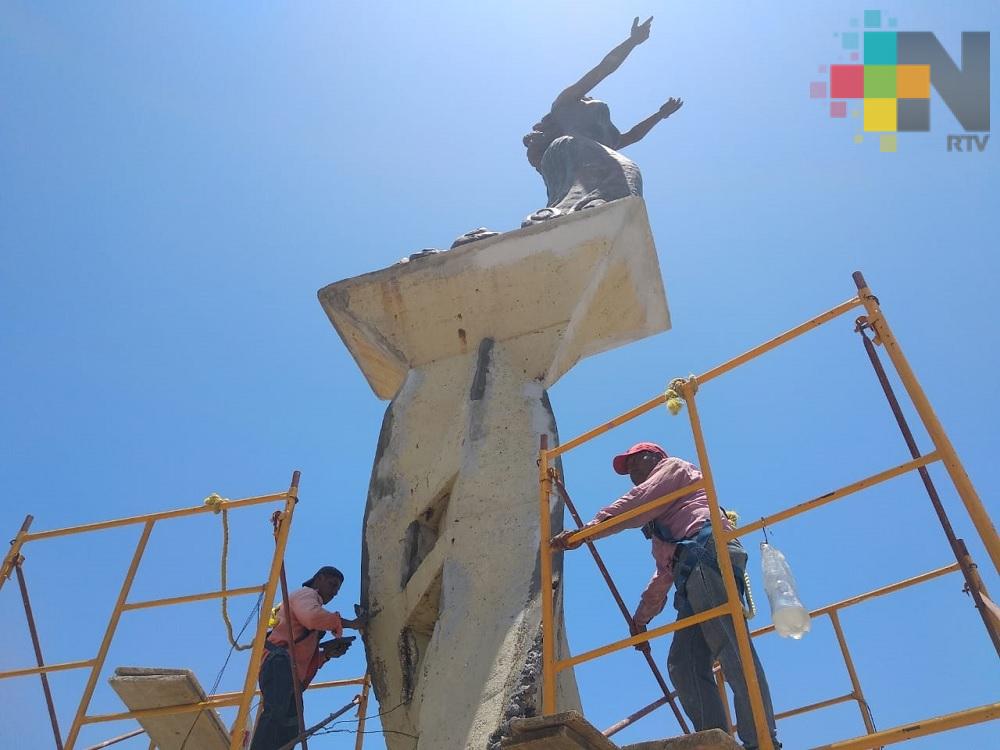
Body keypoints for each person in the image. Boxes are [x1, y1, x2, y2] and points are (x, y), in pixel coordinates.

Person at [551, 443, 781, 750]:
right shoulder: (664, 527)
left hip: (707, 555)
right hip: (692, 570)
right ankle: (717, 741)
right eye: (627, 467)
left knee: (730, 644)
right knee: (683, 662)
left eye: (635, 461)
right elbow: (663, 574)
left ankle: (762, 742)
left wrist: (588, 530)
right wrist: (640, 620)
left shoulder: (672, 469)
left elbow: (639, 501)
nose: (631, 471)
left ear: (655, 457)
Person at [522, 16, 683, 225]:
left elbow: (634, 135)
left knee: (627, 175)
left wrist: (660, 115)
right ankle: (574, 215)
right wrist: (632, 42)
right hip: (571, 147)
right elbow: (604, 68)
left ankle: (587, 217)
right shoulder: (566, 103)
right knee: (622, 172)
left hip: (587, 151)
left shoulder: (608, 138)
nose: (593, 97)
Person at [250, 565, 365, 750]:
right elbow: (312, 617)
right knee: (276, 713)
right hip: (279, 663)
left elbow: (304, 659)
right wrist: (350, 623)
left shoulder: (312, 609)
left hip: (290, 672)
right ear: (319, 579)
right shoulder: (306, 595)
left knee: (291, 727)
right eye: (332, 584)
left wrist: (327, 654)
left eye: (337, 589)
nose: (334, 592)